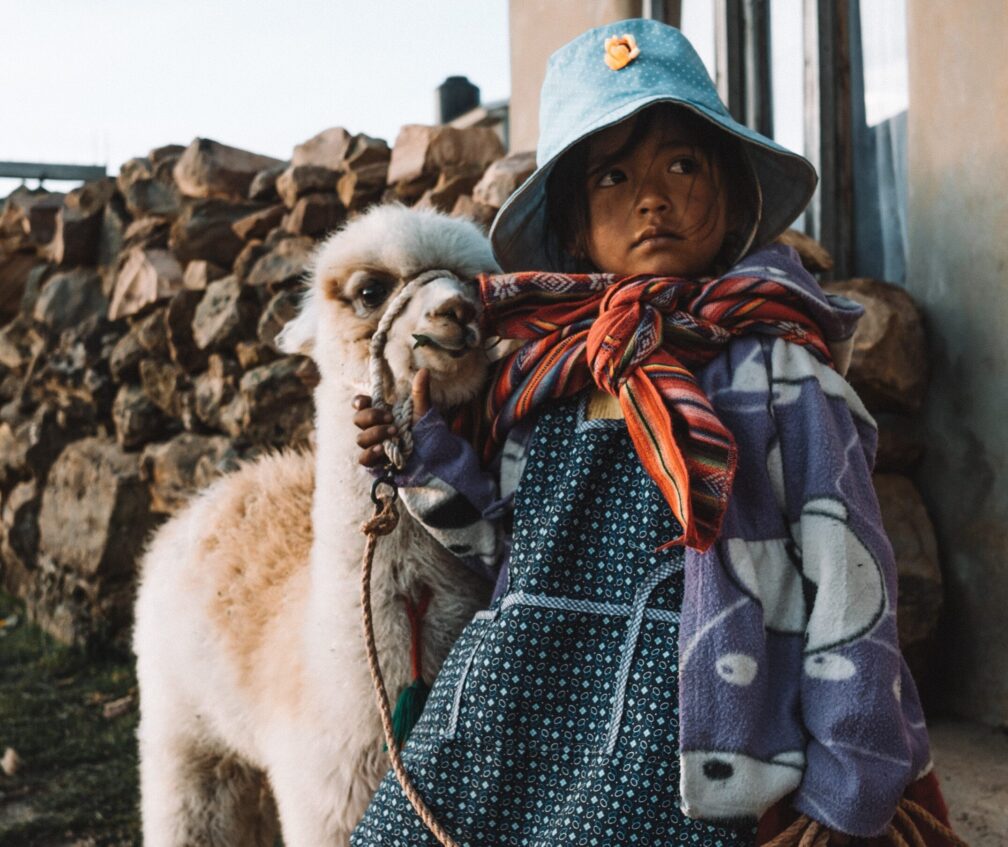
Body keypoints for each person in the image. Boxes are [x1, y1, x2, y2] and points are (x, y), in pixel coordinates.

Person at [350, 18, 961, 847]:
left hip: (686, 737)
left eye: (682, 164)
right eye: (612, 176)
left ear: (731, 192)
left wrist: (846, 782)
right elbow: (503, 548)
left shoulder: (780, 375)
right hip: (524, 709)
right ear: (572, 222)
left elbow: (850, 582)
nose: (652, 197)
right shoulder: (546, 375)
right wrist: (416, 451)